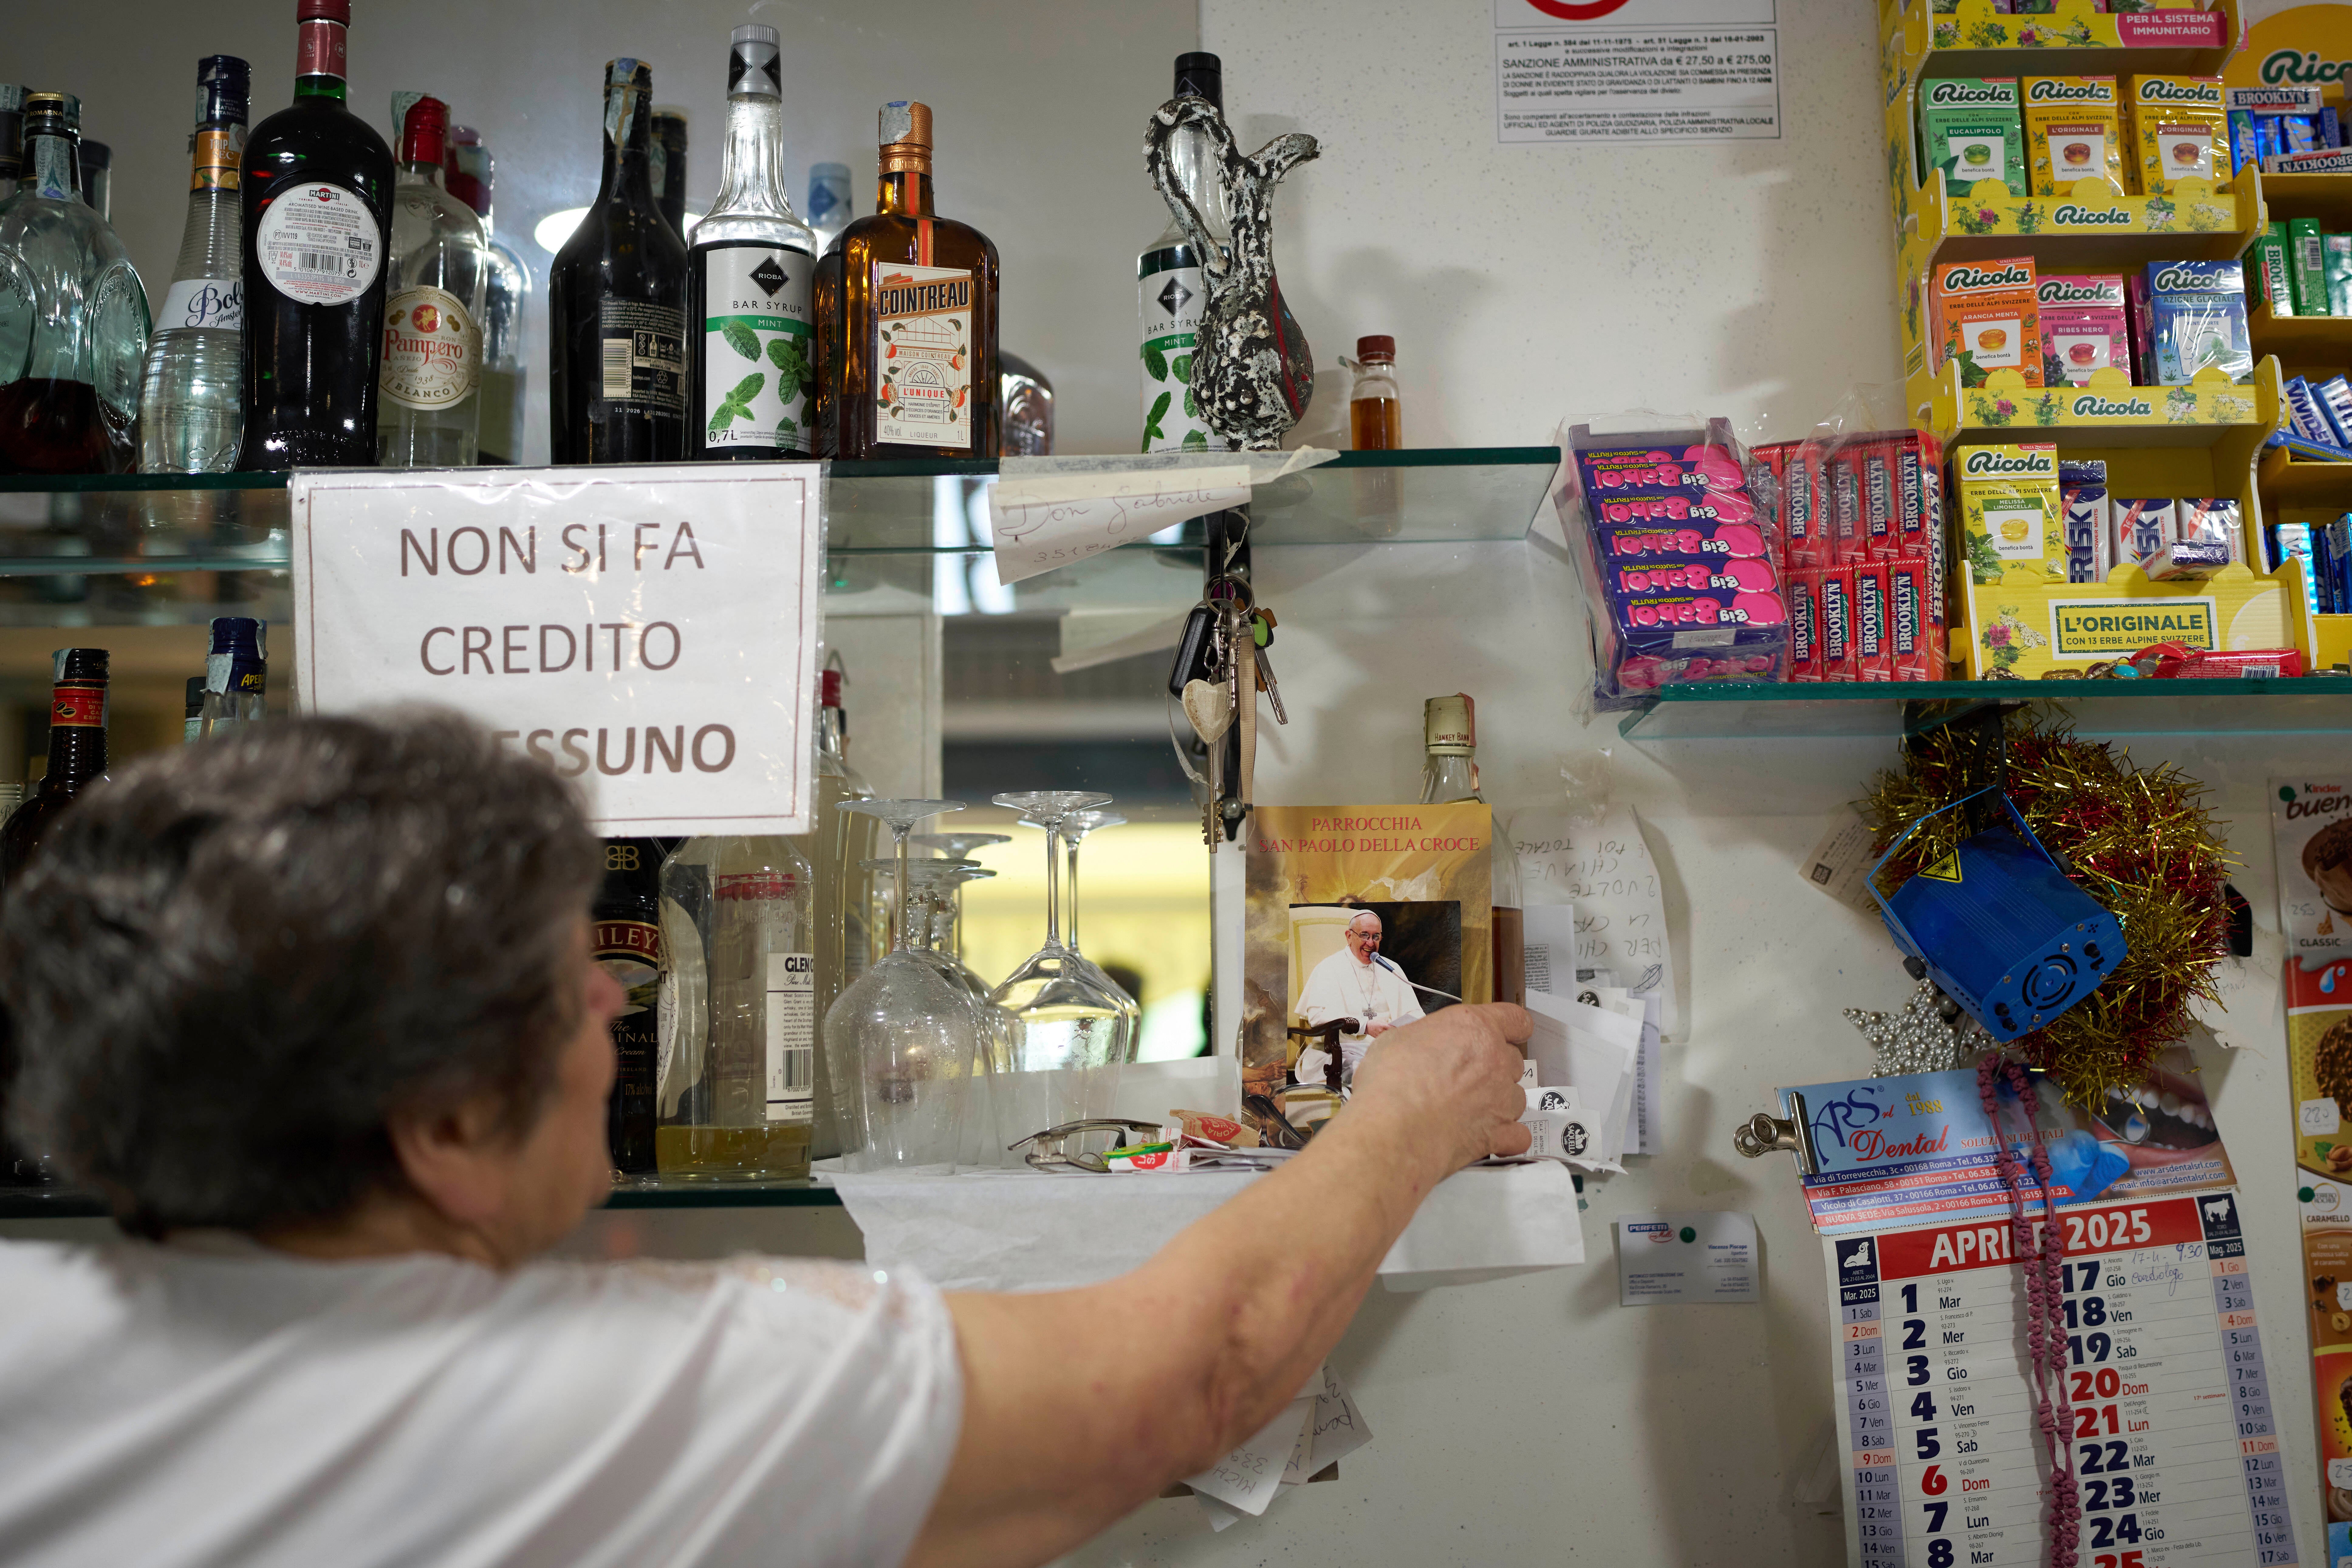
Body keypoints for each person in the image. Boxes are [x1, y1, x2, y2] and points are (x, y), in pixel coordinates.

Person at [0, 712, 1531, 1568]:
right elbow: (1201, 1369)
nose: (613, 989)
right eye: (557, 982)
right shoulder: (621, 1394)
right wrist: (1409, 1112)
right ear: (447, 1122)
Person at [1295, 908, 1426, 1082]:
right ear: (1349, 936)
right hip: (1342, 1053)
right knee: (1378, 1075)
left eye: (1376, 937)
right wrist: (1365, 1026)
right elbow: (1317, 1017)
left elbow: (1416, 1014)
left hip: (1390, 1051)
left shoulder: (1391, 968)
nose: (1370, 943)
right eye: (1364, 935)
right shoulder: (1329, 968)